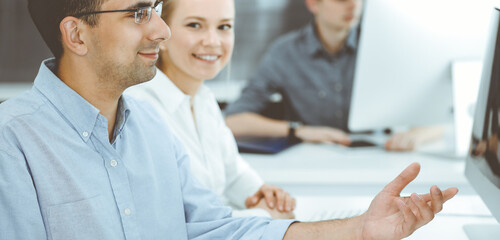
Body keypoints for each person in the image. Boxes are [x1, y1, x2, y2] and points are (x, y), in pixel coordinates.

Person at [0, 0, 458, 239]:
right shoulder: (13, 141)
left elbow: (216, 229)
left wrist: (361, 229)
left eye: (158, 11)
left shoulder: (152, 128)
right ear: (76, 34)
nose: (160, 30)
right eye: (139, 13)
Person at [125, 0, 295, 219]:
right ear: (161, 35)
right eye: (195, 25)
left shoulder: (203, 100)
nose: (213, 41)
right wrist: (265, 216)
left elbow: (233, 174)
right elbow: (187, 219)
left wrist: (263, 195)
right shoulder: (140, 110)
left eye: (224, 27)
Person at [224, 0, 444, 151]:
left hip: (378, 159)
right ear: (313, 4)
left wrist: (416, 136)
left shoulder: (385, 44)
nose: (353, 5)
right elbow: (232, 122)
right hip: (313, 162)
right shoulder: (284, 53)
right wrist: (298, 131)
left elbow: (441, 118)